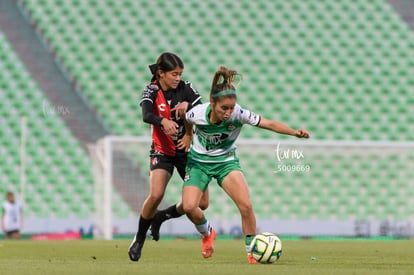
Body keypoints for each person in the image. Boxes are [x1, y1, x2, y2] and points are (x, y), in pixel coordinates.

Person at [181, 66, 309, 263]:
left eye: (231, 108)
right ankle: (207, 233)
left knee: (246, 205)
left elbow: (269, 123)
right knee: (190, 207)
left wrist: (293, 132)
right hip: (198, 162)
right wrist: (188, 136)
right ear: (213, 103)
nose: (229, 112)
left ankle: (252, 252)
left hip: (226, 162)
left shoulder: (238, 114)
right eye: (224, 108)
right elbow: (186, 120)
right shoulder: (197, 113)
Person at [128, 52, 209, 262]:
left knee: (203, 203)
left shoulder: (186, 88)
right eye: (174, 74)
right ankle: (139, 238)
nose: (178, 78)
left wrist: (189, 111)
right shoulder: (151, 90)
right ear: (161, 74)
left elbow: (206, 112)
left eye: (180, 74)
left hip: (188, 152)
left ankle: (163, 216)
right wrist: (162, 122)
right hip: (162, 151)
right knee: (155, 195)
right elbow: (146, 115)